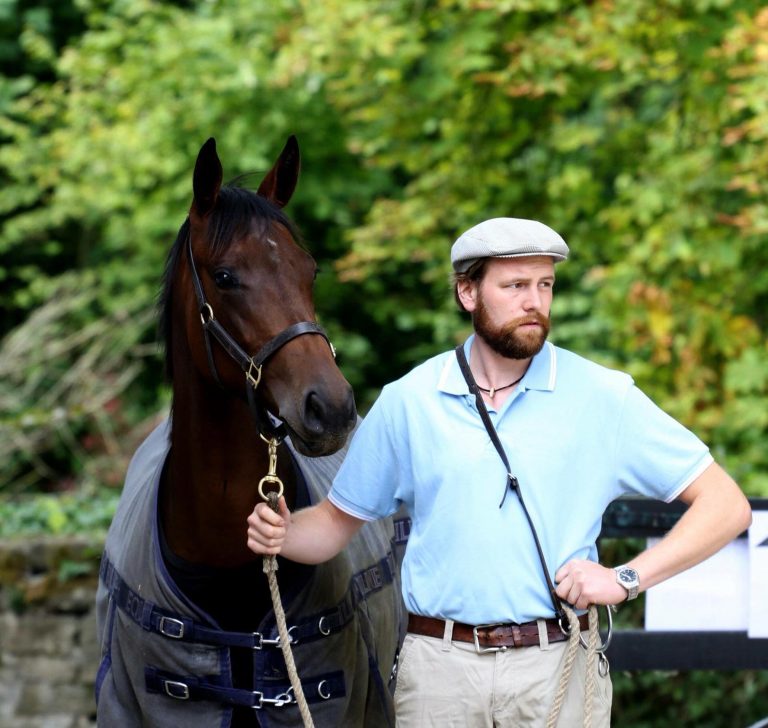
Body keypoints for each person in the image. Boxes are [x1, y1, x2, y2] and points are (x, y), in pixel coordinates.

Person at [246, 217, 752, 727]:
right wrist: (284, 532)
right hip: (438, 674)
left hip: (556, 665)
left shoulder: (604, 397)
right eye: (515, 286)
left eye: (545, 285)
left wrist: (625, 579)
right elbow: (333, 526)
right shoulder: (409, 401)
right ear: (468, 292)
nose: (535, 302)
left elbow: (725, 506)